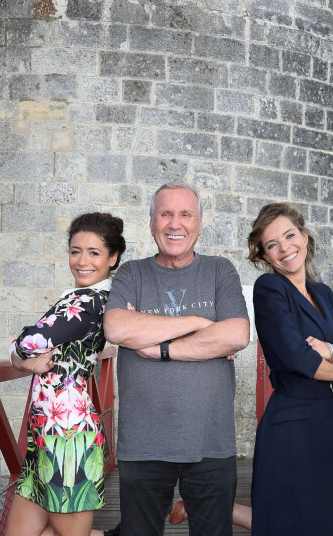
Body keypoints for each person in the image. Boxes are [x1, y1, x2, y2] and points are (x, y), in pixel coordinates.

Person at [102, 181, 250, 536]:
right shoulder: (131, 273)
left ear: (198, 223)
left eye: (185, 214)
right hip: (143, 444)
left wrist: (161, 347)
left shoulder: (219, 270)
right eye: (165, 214)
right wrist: (201, 325)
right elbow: (116, 327)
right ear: (152, 221)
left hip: (210, 442)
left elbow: (236, 335)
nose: (175, 224)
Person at [247, 203, 333, 536]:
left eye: (290, 235)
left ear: (305, 237)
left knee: (323, 520)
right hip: (291, 425)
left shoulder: (323, 293)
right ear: (265, 256)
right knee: (284, 522)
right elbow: (297, 357)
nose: (284, 248)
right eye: (271, 244)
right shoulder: (270, 289)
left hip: (327, 424)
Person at [5, 212, 126, 536]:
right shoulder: (74, 298)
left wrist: (19, 358)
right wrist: (23, 361)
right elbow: (29, 349)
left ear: (113, 258)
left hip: (69, 440)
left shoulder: (89, 302)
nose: (82, 261)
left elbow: (29, 341)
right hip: (44, 437)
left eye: (94, 252)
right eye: (76, 251)